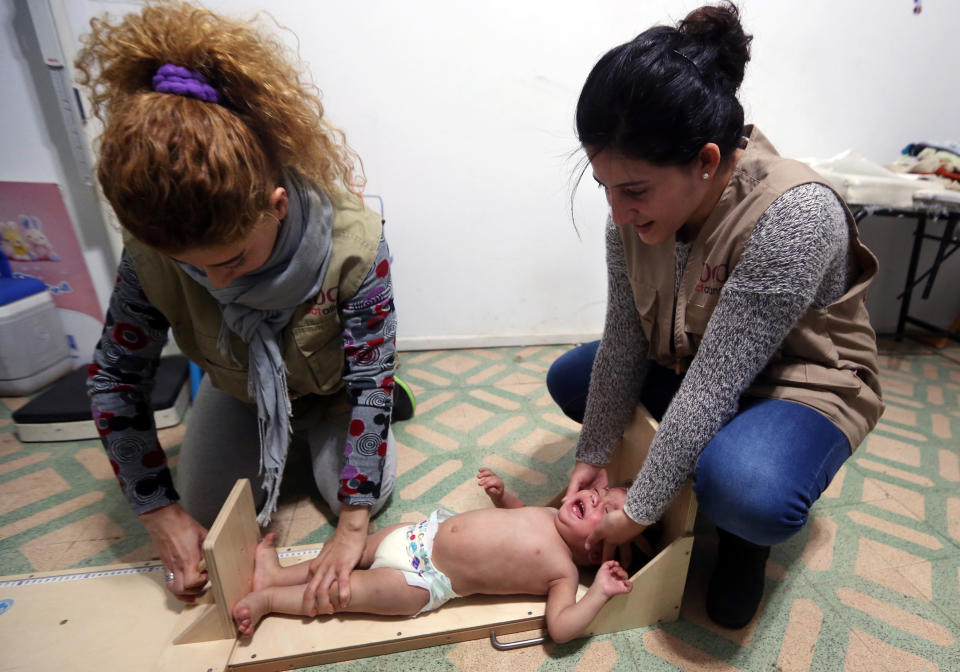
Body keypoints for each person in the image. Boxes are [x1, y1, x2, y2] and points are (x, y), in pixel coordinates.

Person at [549, 2, 883, 629]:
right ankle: (695, 474)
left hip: (794, 385)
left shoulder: (794, 215)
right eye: (605, 188)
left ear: (706, 161)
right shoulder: (631, 206)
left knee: (745, 490)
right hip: (692, 357)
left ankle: (743, 539)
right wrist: (592, 453)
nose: (619, 213)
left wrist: (638, 510)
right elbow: (624, 339)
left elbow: (714, 387)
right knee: (575, 379)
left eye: (635, 191)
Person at [78, 1, 412, 612]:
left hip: (337, 388)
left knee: (354, 496)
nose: (212, 281)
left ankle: (328, 437)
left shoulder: (356, 244)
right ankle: (275, 441)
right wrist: (160, 515)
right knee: (206, 515)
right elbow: (115, 382)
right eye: (190, 267)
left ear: (276, 205)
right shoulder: (149, 254)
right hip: (241, 389)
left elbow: (370, 381)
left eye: (230, 261)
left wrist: (353, 529)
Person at [231, 468, 633, 643]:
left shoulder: (562, 572)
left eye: (606, 512)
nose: (594, 498)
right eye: (599, 494)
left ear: (597, 552)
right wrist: (502, 495)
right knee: (344, 553)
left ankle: (269, 600)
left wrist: (597, 592)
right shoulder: (548, 512)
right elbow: (517, 519)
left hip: (420, 583)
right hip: (416, 534)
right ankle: (278, 574)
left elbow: (561, 628)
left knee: (342, 592)